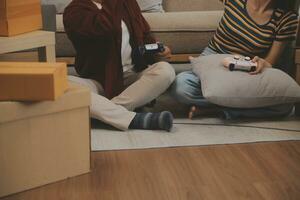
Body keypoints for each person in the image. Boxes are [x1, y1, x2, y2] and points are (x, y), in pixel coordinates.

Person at [172, 0, 299, 119]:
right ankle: (235, 106)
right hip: (213, 59)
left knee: (284, 106)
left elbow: (270, 61)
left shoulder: (287, 18)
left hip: (244, 70)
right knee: (181, 87)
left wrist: (262, 63)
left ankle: (217, 110)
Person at [63, 0, 176, 131]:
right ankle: (134, 119)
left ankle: (105, 112)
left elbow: (144, 35)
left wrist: (157, 51)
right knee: (63, 84)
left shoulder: (127, 3)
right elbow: (106, 26)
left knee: (165, 70)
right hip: (99, 83)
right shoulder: (74, 11)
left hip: (131, 78)